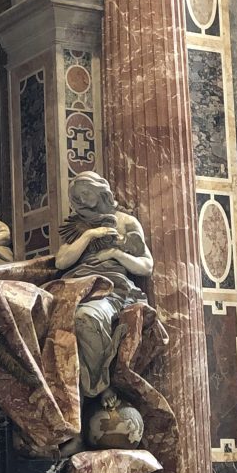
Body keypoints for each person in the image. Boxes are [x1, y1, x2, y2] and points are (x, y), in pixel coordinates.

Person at [55, 171, 153, 404]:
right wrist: (89, 235)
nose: (79, 201)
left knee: (86, 317)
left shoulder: (125, 222)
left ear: (101, 193)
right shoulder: (77, 227)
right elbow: (62, 261)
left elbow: (146, 266)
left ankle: (97, 388)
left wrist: (115, 253)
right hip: (75, 286)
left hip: (110, 289)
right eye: (75, 197)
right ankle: (62, 399)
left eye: (85, 194)